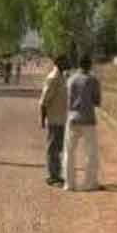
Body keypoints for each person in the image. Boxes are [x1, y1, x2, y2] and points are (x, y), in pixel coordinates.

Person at [63, 54, 102, 192]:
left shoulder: (71, 79)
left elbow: (67, 100)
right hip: (88, 119)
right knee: (91, 153)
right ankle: (89, 183)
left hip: (72, 118)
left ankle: (69, 183)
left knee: (69, 152)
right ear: (89, 65)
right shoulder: (93, 80)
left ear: (79, 65)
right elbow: (97, 101)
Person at [40, 56, 69, 186]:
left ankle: (57, 174)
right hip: (54, 119)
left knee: (58, 148)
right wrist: (42, 119)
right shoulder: (53, 78)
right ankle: (53, 175)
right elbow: (44, 101)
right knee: (53, 149)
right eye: (65, 61)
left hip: (62, 118)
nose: (68, 62)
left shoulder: (62, 77)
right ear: (59, 63)